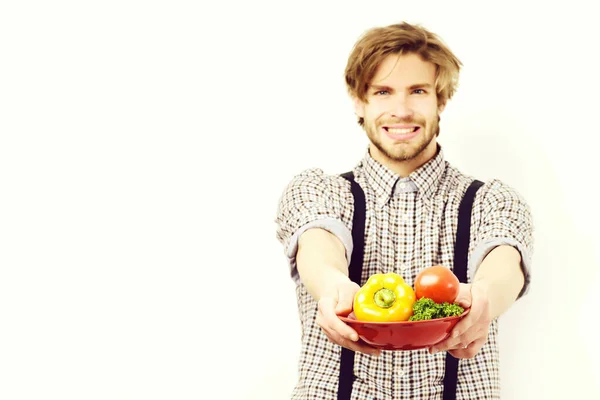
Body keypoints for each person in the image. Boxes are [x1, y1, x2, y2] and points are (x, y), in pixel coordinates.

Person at [275, 21, 533, 400]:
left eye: (417, 91)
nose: (401, 110)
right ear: (359, 101)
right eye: (382, 91)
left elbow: (504, 262)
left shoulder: (493, 200)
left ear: (440, 99)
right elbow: (319, 245)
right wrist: (332, 286)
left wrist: (484, 298)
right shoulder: (317, 190)